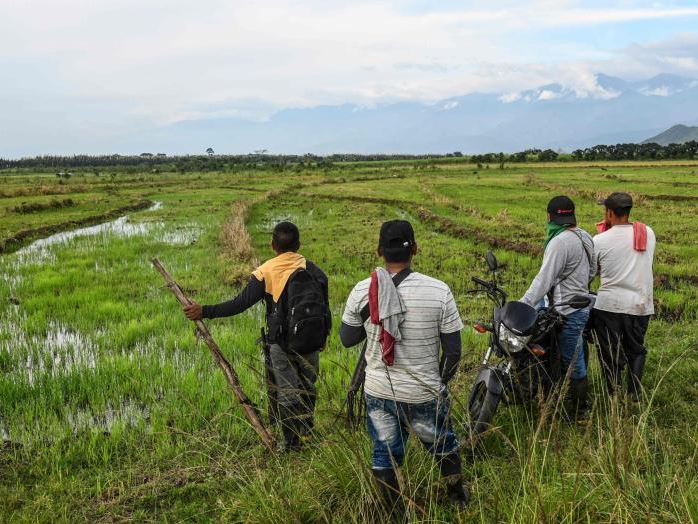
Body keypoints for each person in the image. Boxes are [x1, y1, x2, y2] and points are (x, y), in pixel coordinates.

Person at [339, 220, 469, 516]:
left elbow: (347, 339)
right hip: (424, 392)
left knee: (385, 451)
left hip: (379, 391)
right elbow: (453, 352)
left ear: (379, 251)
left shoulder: (363, 290)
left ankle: (395, 512)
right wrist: (438, 385)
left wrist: (372, 313)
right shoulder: (439, 291)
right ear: (416, 249)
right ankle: (458, 498)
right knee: (442, 445)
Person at [183, 221, 330, 451]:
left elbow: (239, 304)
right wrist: (323, 338)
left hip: (280, 343)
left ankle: (292, 445)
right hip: (312, 340)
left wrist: (205, 311)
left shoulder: (266, 271)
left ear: (273, 245)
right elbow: (325, 309)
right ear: (299, 244)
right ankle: (308, 433)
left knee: (288, 391)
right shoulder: (314, 270)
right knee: (308, 385)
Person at [520, 195, 595, 420]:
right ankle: (552, 394)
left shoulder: (559, 242)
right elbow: (592, 271)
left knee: (573, 359)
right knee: (564, 351)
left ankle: (580, 410)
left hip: (566, 311)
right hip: (580, 305)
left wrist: (522, 305)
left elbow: (543, 280)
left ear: (549, 217)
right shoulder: (585, 236)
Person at [592, 192, 655, 402]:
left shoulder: (599, 240)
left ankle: (613, 394)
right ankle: (634, 394)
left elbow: (594, 271)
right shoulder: (647, 233)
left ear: (609, 212)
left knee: (609, 352)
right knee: (636, 349)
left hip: (609, 304)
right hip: (640, 304)